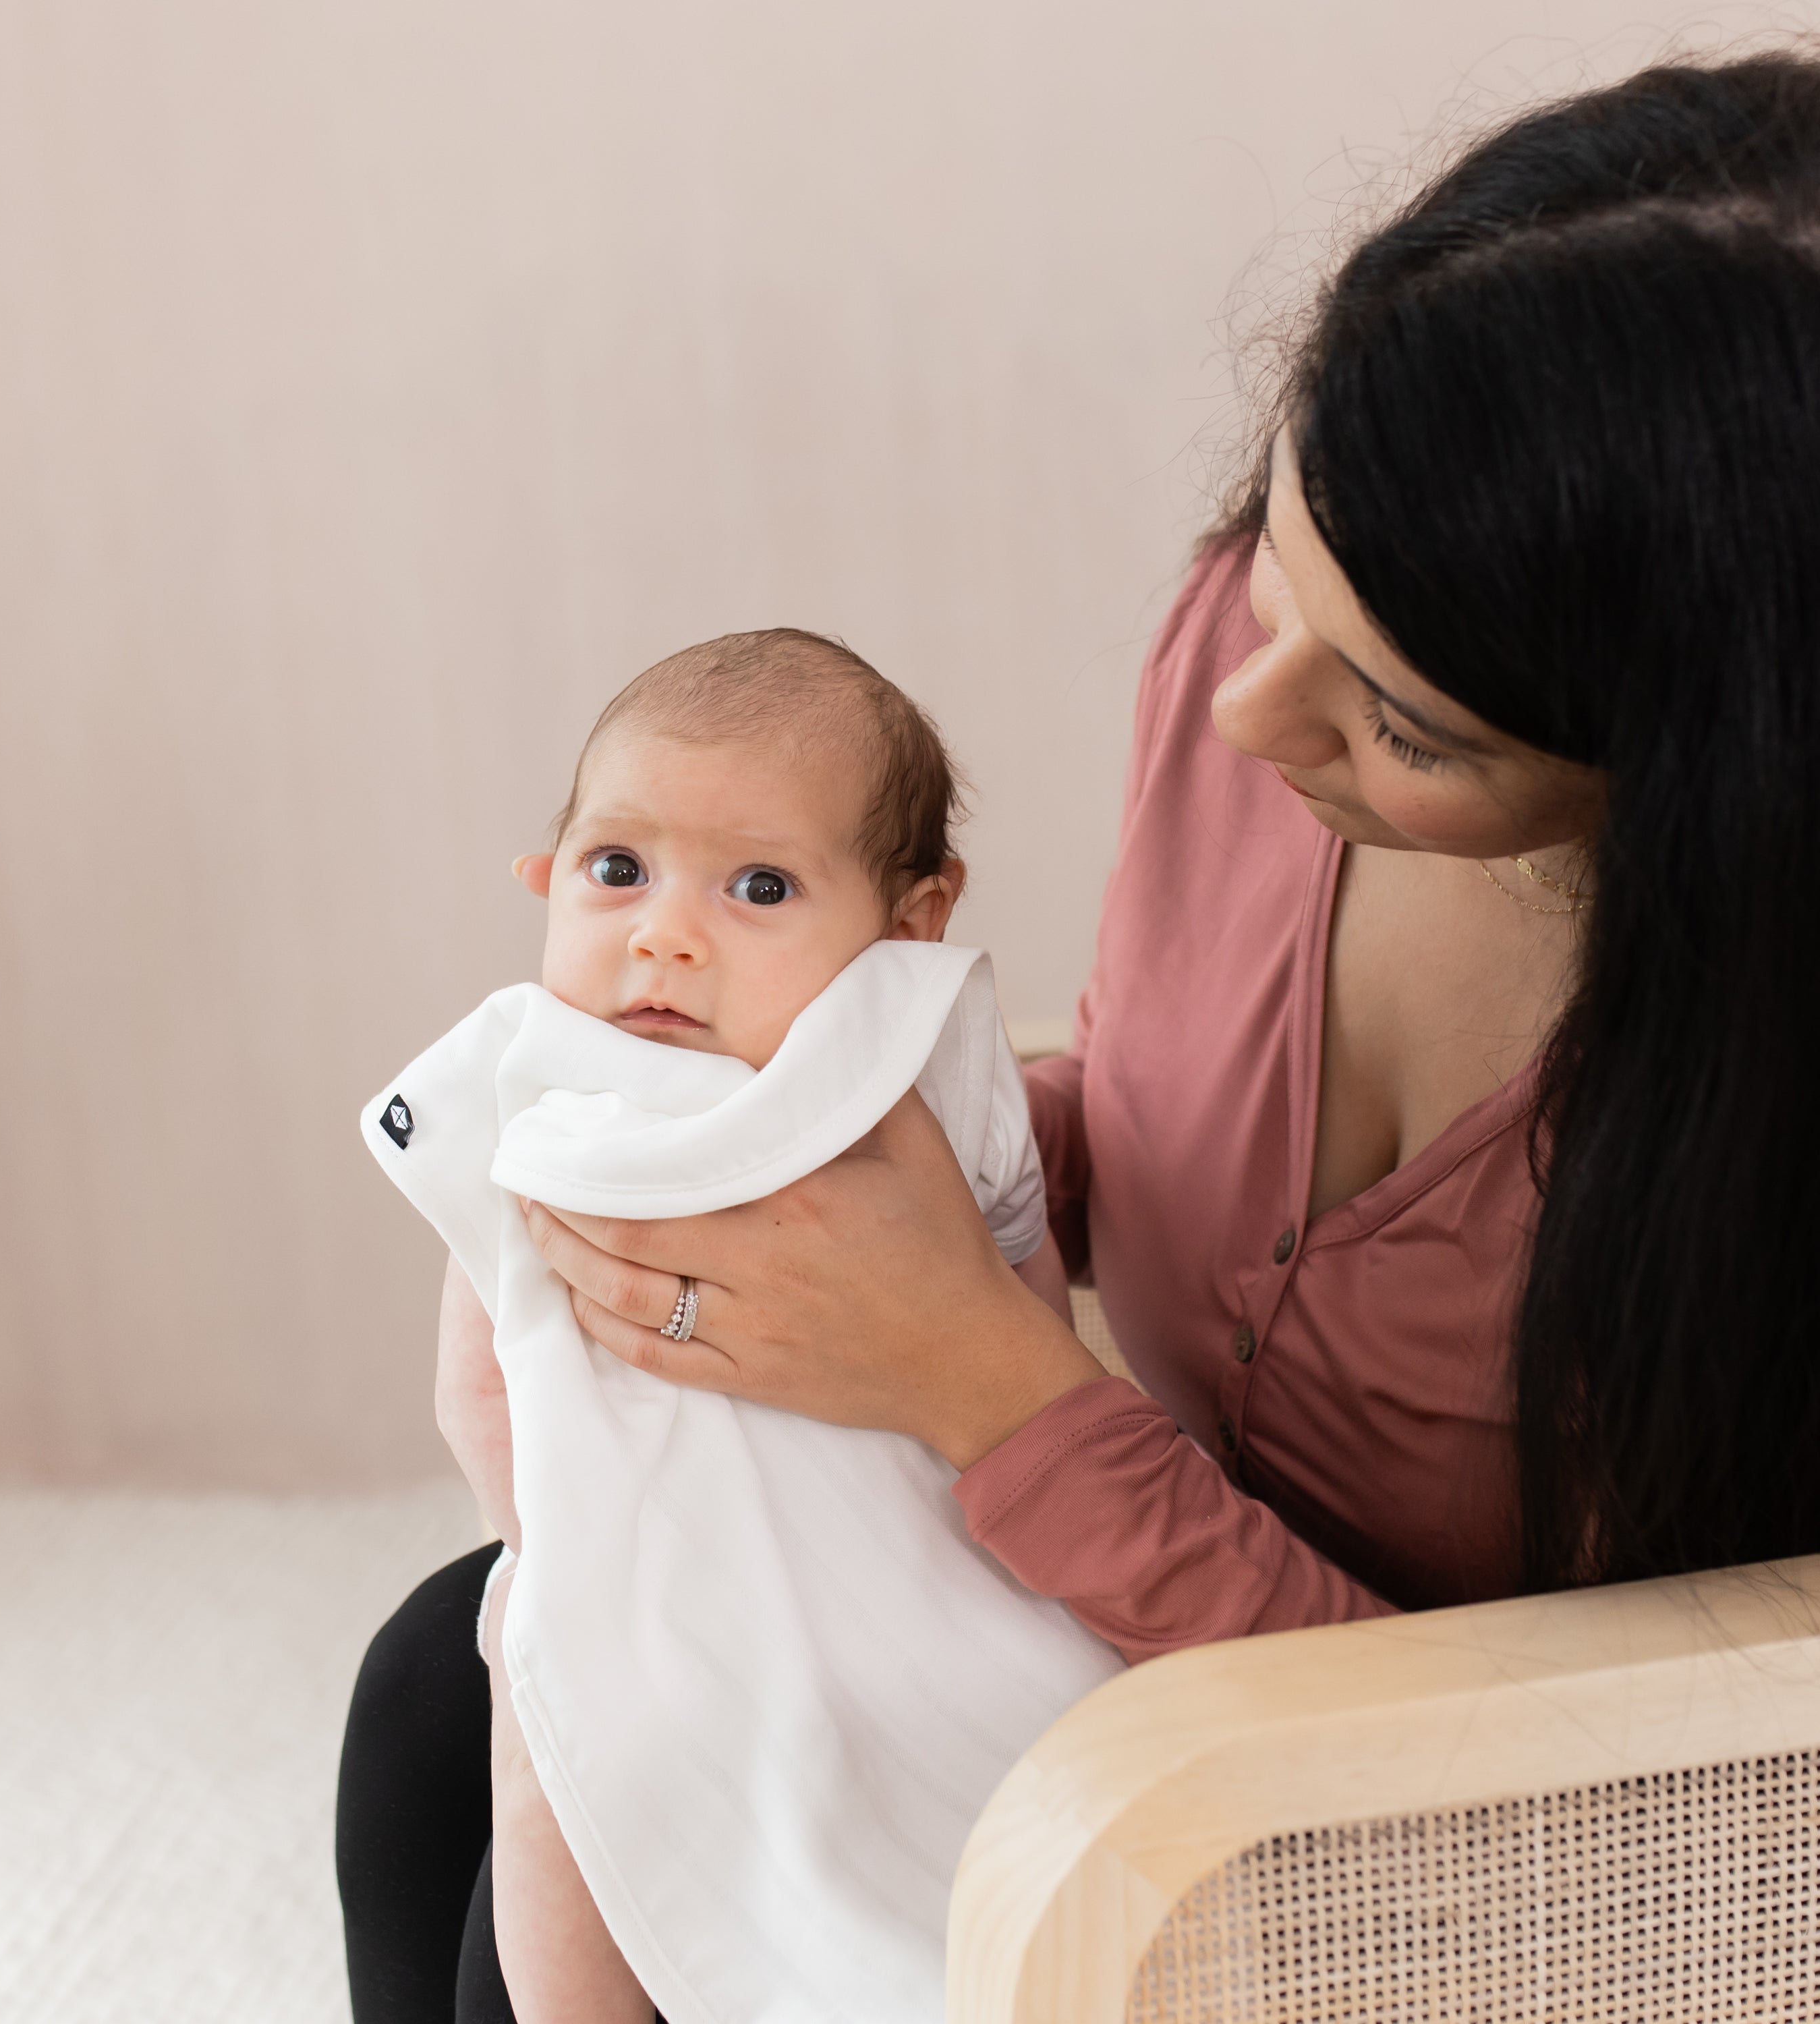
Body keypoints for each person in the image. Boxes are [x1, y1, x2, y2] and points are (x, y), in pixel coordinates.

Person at [339, 47, 1820, 2023]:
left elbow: (1681, 1785)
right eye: (1284, 575)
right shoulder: (1257, 658)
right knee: (455, 1699)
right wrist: (849, 1163)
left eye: (1406, 723)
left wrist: (986, 1384)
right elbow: (1155, 1086)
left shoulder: (1763, 1139)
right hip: (1095, 1598)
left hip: (1500, 1838)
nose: (1247, 714)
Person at [359, 627, 1099, 2024]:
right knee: (553, 1724)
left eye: (760, 886)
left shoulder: (926, 1058)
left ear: (910, 921)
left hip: (910, 1575)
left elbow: (1026, 1327)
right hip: (622, 1571)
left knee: (976, 1769)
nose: (665, 933)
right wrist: (558, 1551)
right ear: (545, 880)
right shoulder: (542, 1079)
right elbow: (481, 1378)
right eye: (617, 871)